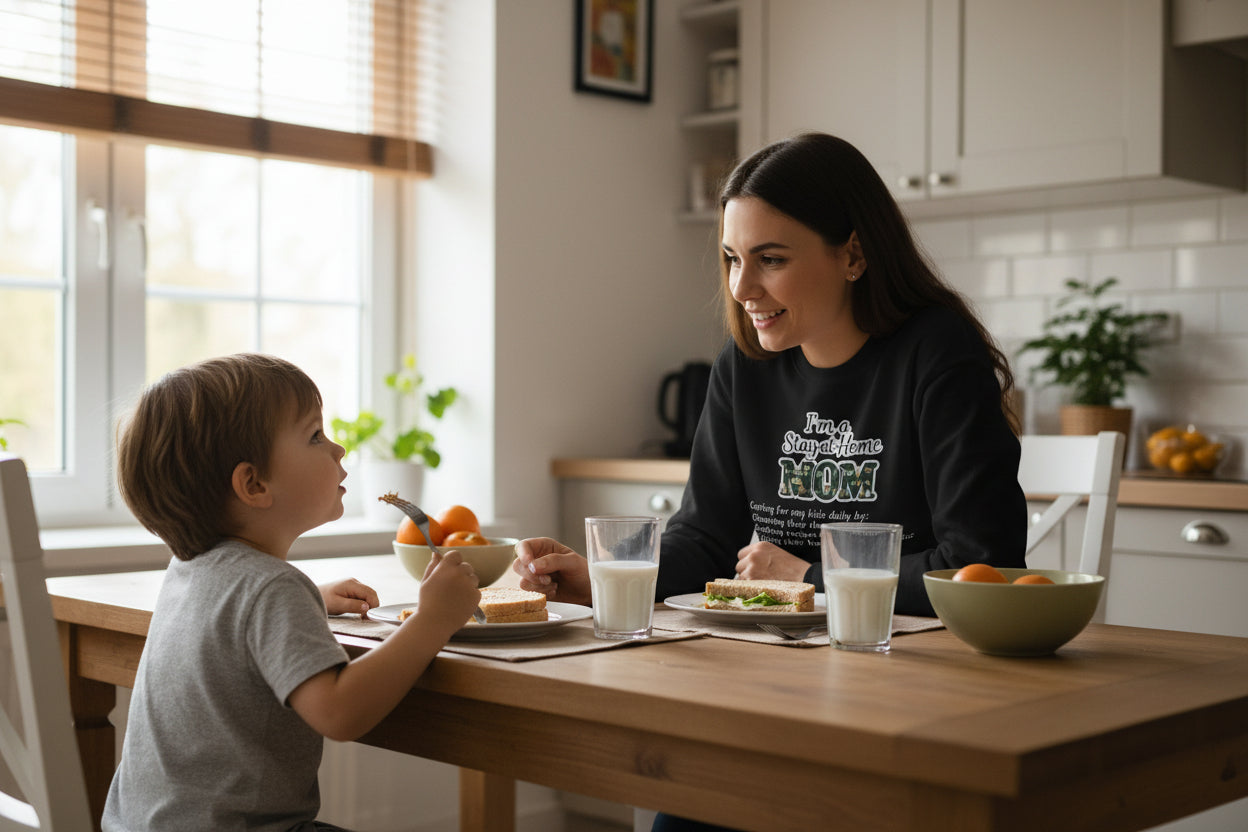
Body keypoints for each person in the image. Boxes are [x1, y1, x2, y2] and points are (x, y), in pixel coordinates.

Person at [513, 132, 1027, 832]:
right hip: (778, 682)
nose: (742, 288)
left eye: (771, 259)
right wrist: (607, 576)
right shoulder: (745, 366)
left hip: (920, 697)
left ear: (853, 254)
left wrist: (808, 578)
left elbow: (983, 564)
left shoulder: (936, 353)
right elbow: (705, 534)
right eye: (732, 258)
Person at [103, 353, 482, 832]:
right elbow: (340, 713)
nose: (338, 449)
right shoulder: (272, 589)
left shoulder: (189, 569)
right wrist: (433, 620)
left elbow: (230, 623)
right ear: (254, 483)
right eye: (315, 436)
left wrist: (310, 601)